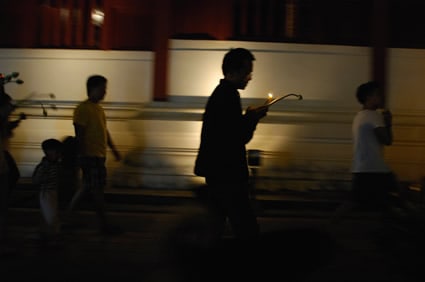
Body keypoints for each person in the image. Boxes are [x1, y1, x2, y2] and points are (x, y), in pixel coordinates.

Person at [194, 48, 268, 244]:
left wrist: (248, 117)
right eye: (247, 72)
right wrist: (252, 118)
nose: (249, 77)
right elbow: (237, 137)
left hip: (217, 172)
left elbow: (228, 132)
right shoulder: (228, 96)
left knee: (216, 224)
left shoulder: (222, 94)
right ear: (232, 72)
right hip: (228, 173)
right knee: (246, 227)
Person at [331, 81, 399, 223]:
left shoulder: (360, 116)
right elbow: (387, 140)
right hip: (373, 168)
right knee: (394, 197)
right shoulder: (373, 116)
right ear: (369, 97)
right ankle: (329, 225)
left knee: (361, 201)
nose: (381, 97)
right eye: (378, 94)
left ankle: (331, 225)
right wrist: (389, 123)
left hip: (364, 166)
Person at [68, 75, 122, 235]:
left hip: (98, 154)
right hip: (90, 155)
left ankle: (68, 217)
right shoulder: (82, 109)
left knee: (87, 187)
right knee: (97, 190)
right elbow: (80, 133)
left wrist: (113, 149)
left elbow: (104, 130)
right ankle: (104, 224)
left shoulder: (98, 109)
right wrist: (81, 154)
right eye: (103, 88)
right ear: (93, 89)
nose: (105, 92)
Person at [32, 138, 63, 245]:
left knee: (47, 213)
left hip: (50, 192)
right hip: (47, 192)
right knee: (51, 214)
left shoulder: (52, 164)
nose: (59, 155)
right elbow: (37, 179)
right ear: (50, 152)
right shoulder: (46, 166)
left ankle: (44, 233)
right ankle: (54, 236)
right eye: (58, 152)